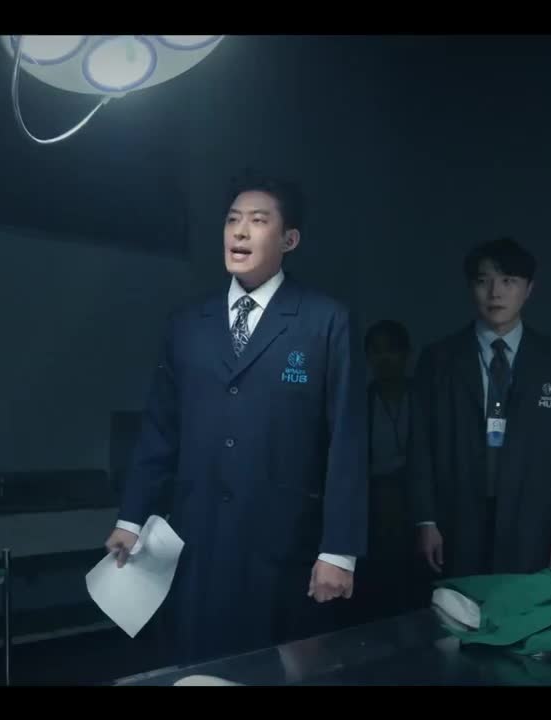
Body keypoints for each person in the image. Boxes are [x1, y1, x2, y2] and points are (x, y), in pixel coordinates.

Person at [104, 172, 368, 665]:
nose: (240, 232)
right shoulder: (188, 324)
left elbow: (347, 442)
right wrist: (132, 516)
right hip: (197, 542)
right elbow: (160, 429)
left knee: (275, 669)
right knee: (197, 667)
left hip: (283, 547)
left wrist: (339, 550)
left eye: (258, 221)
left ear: (289, 240)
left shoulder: (325, 321)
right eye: (232, 220)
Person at [408, 237, 551, 579]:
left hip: (534, 519)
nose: (495, 293)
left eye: (508, 281)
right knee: (458, 605)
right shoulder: (439, 359)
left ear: (529, 289)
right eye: (484, 281)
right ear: (471, 287)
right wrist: (425, 520)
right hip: (456, 517)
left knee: (526, 605)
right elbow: (420, 446)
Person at [353, 320, 422, 619]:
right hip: (376, 505)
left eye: (392, 350)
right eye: (376, 351)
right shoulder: (360, 403)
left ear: (406, 353)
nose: (384, 358)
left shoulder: (424, 398)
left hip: (418, 502)